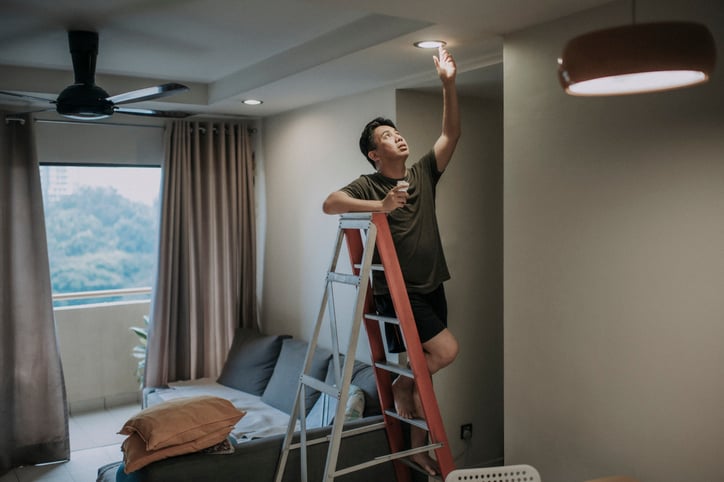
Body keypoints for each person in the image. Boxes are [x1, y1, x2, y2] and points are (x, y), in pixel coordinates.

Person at [322, 45, 460, 476]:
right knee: (445, 352)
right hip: (398, 294)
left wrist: (448, 84)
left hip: (431, 285)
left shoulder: (421, 173)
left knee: (424, 371)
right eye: (386, 136)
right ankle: (401, 385)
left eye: (396, 131)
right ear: (373, 154)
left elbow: (450, 135)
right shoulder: (369, 184)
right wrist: (379, 205)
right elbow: (330, 203)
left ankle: (417, 448)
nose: (396, 136)